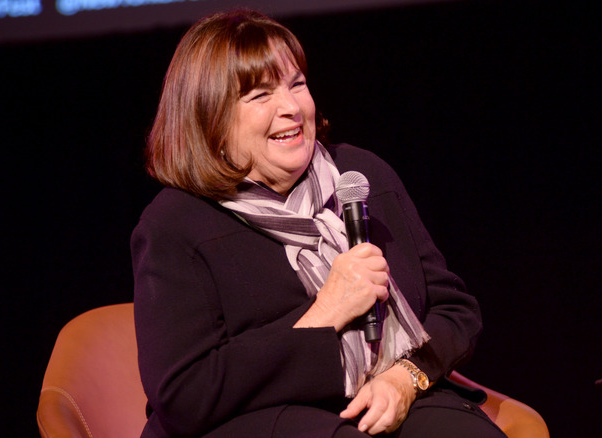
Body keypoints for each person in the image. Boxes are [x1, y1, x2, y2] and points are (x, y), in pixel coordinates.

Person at [131, 9, 507, 438]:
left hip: (384, 390)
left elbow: (453, 310)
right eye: (260, 96)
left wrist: (405, 378)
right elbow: (185, 394)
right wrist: (327, 312)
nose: (291, 108)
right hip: (253, 420)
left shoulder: (361, 176)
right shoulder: (175, 224)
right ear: (210, 121)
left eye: (297, 85)